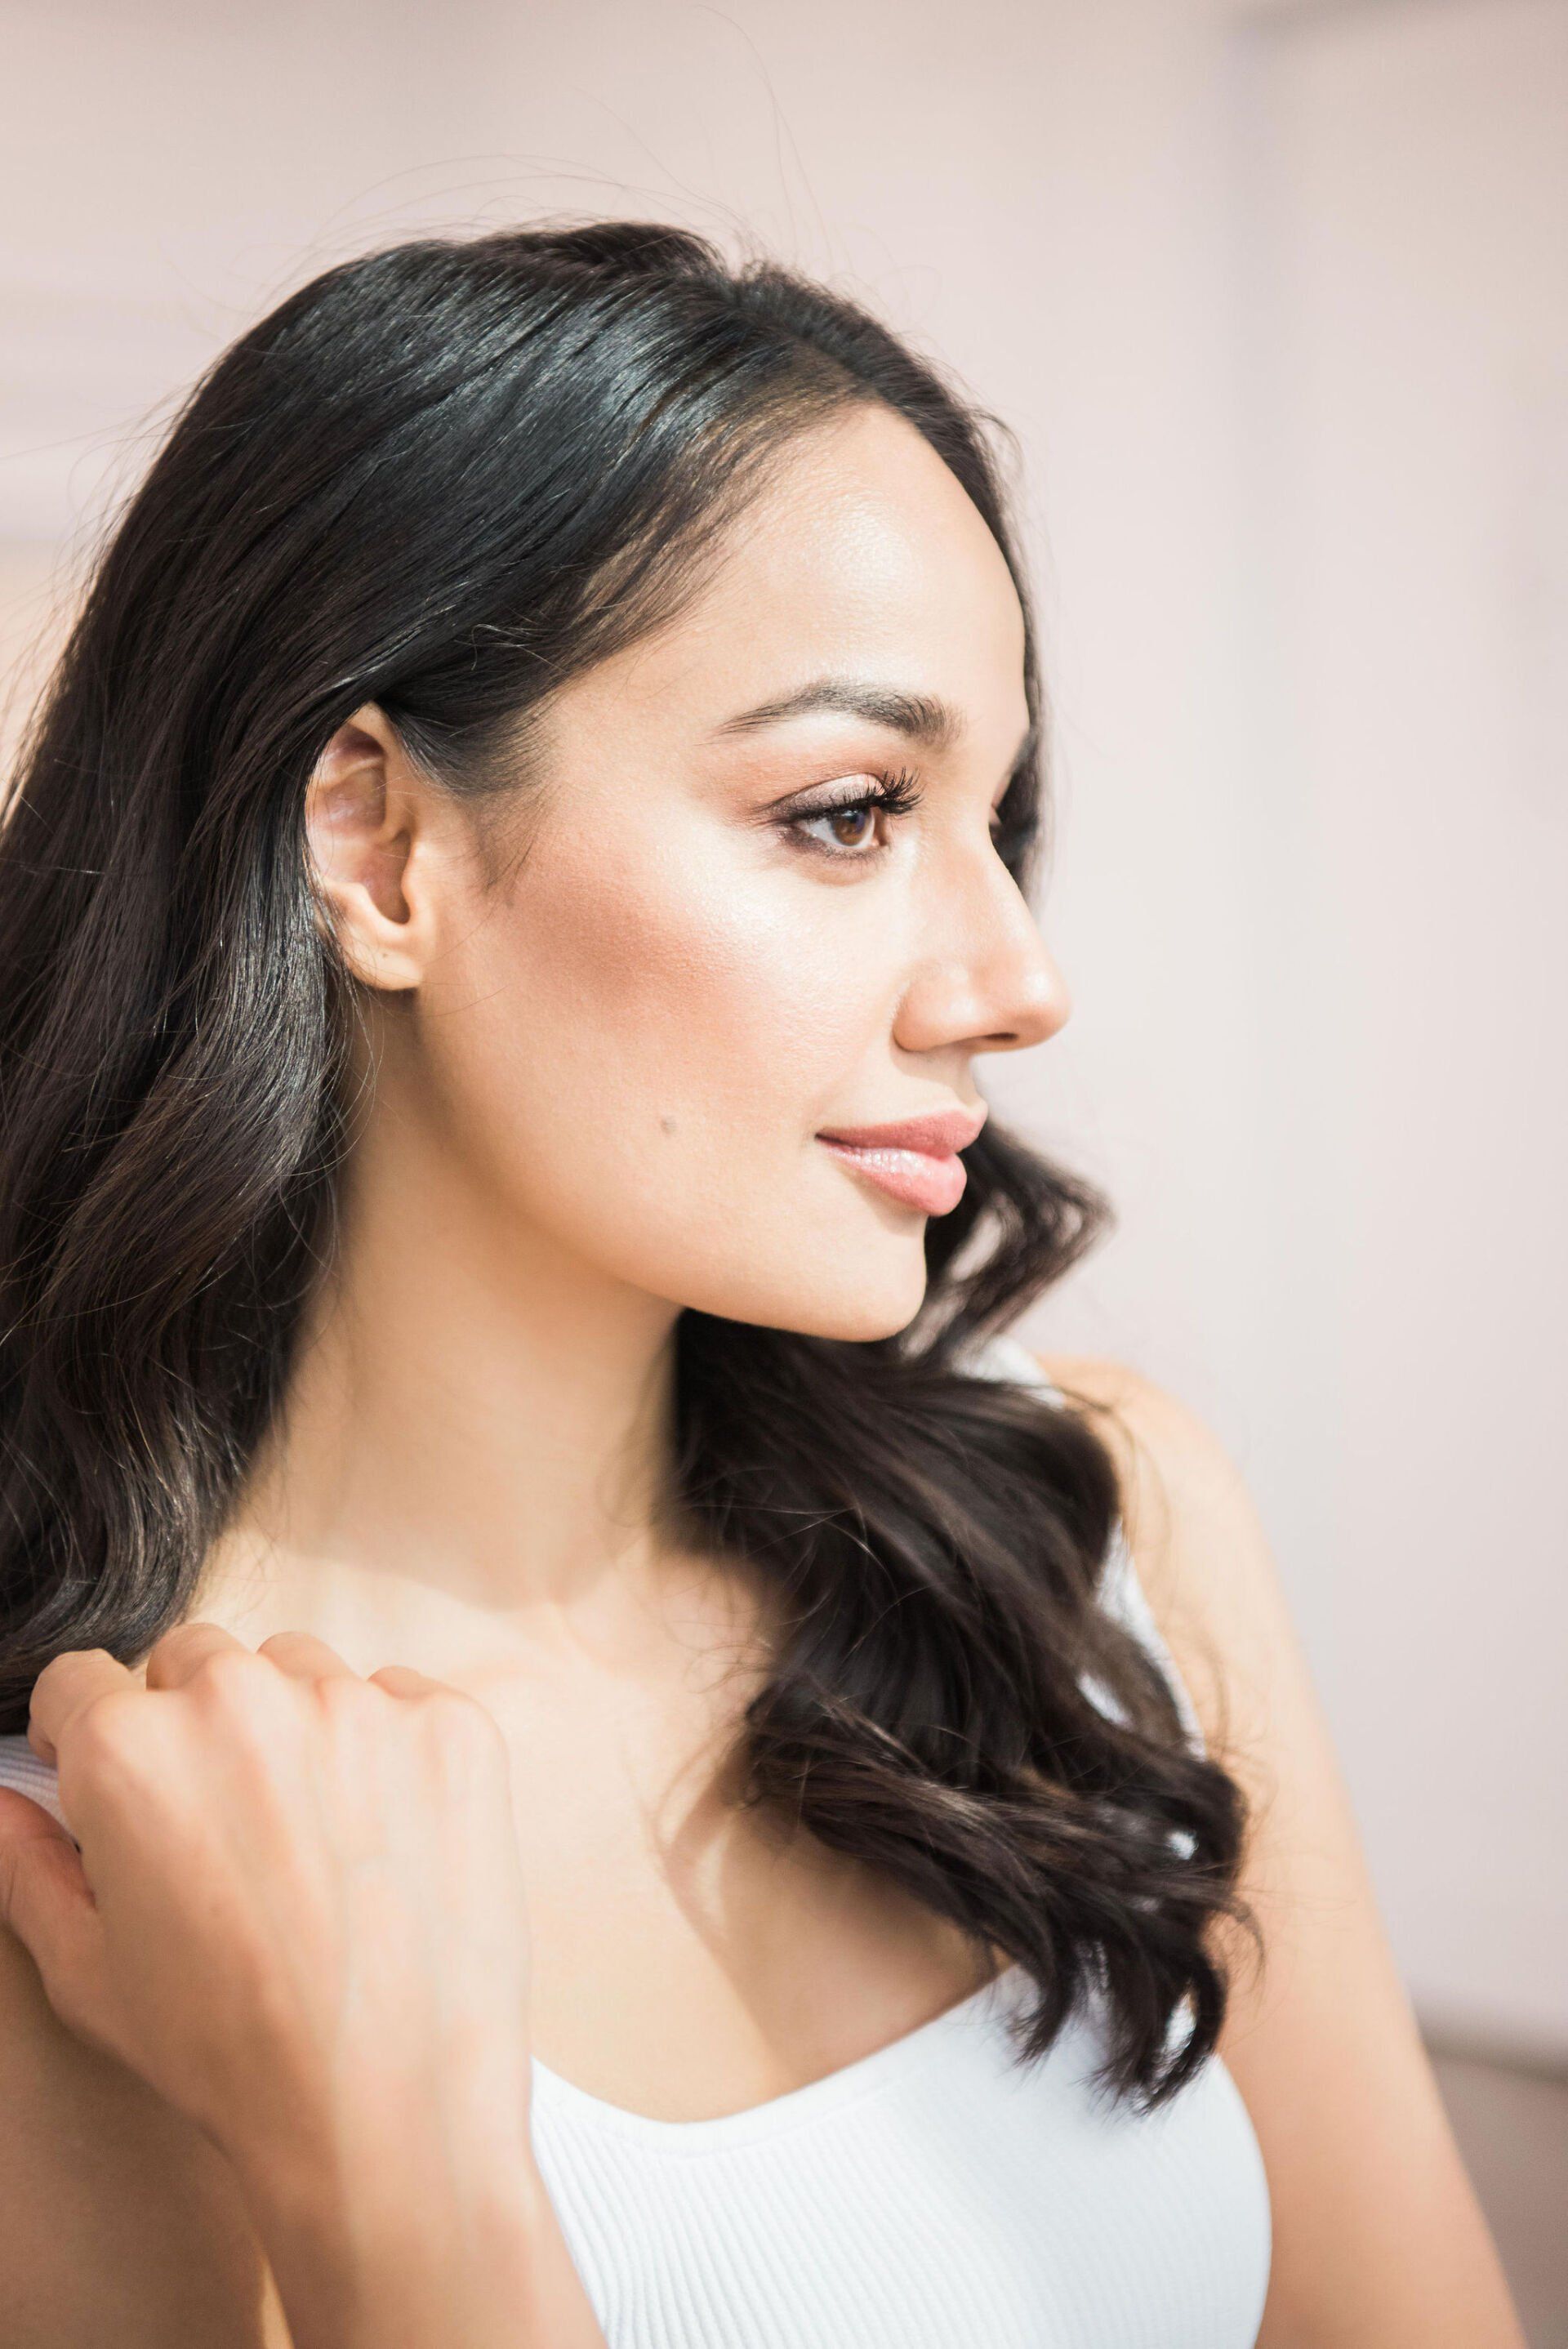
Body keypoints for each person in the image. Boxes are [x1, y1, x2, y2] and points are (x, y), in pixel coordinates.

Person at [0, 221, 1522, 2349]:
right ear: (381, 845)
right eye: (843, 811)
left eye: (997, 817)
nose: (1016, 979)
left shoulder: (1101, 1547)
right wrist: (382, 2186)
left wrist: (417, 2198)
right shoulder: (90, 1867)